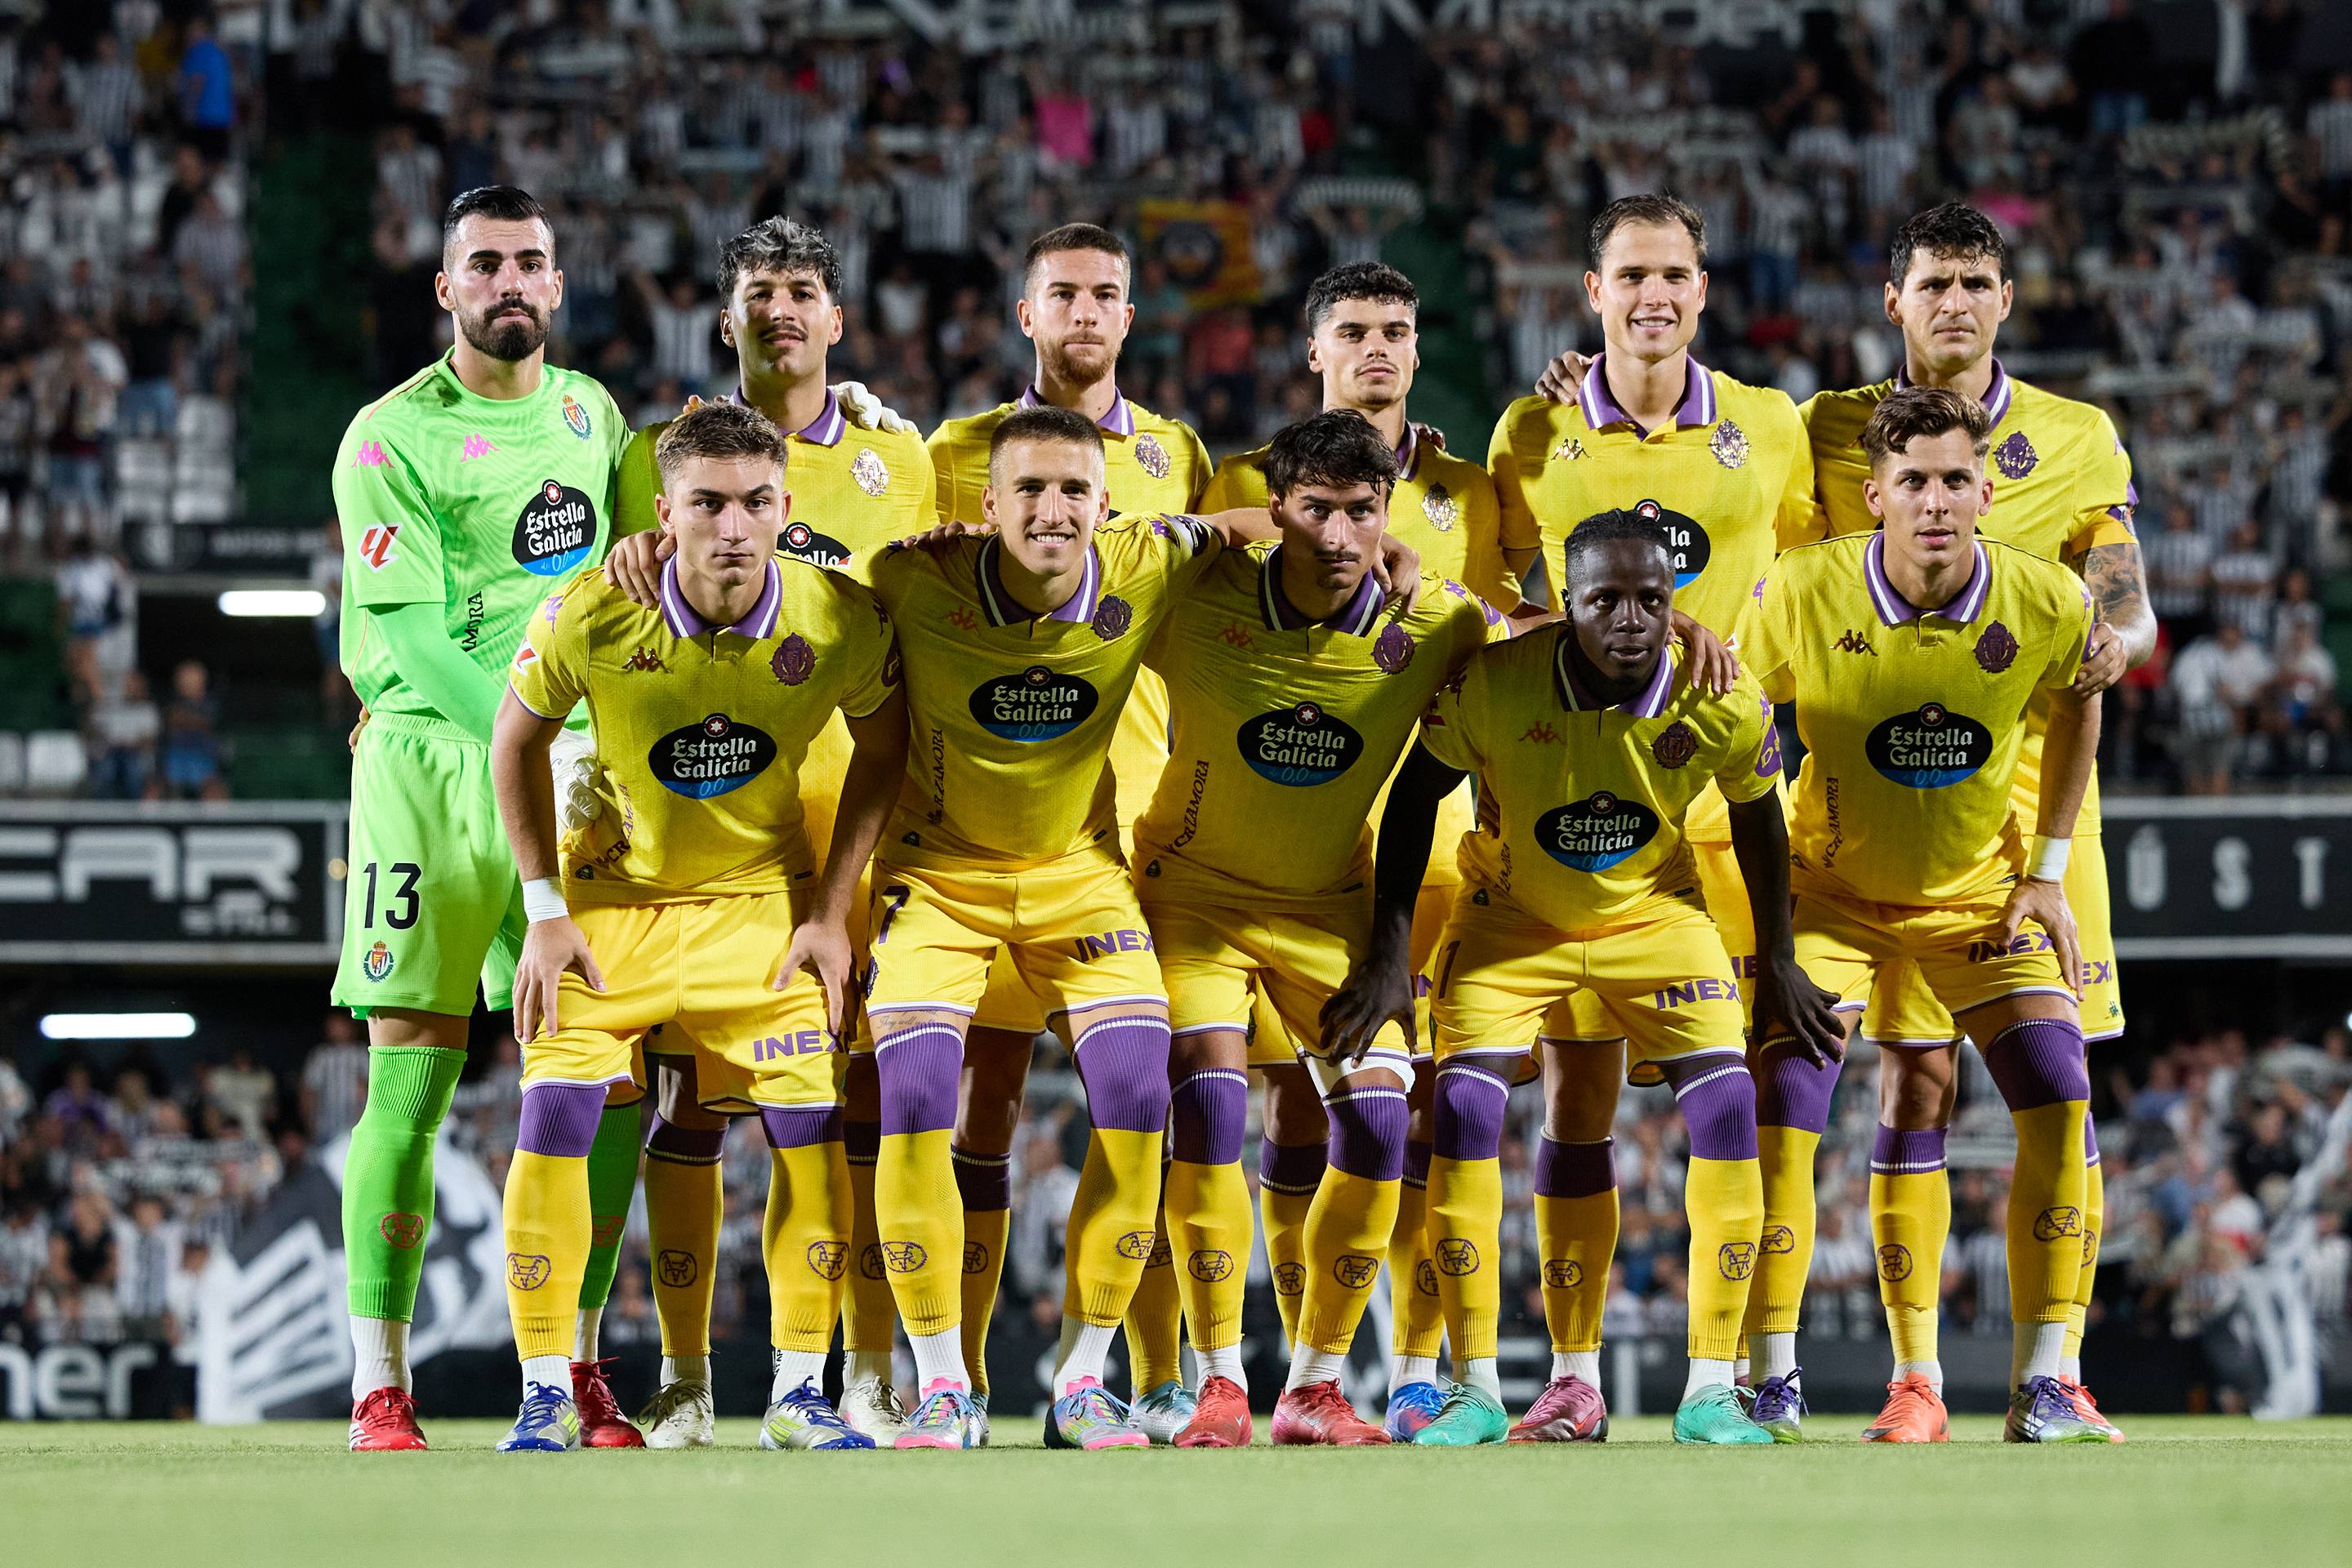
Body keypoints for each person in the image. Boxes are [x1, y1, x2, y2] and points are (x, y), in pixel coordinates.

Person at [859, 403, 1413, 1450]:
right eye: (1028, 489)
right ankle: (942, 1384)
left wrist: (1390, 543)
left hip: (1082, 877)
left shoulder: (1147, 558)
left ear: (1107, 504)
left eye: (1074, 489)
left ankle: (1081, 1373)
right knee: (922, 1097)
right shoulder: (909, 579)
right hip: (939, 877)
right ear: (987, 504)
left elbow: (1257, 526)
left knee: (1133, 1094)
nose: (1053, 509)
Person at [1327, 509, 1838, 1446]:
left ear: (1676, 602)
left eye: (1653, 598)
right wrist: (1391, 954)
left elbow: (1761, 818)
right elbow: (1412, 800)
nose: (1632, 618)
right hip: (1512, 913)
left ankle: (1713, 1388)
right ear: (1568, 604)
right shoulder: (1495, 684)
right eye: (1606, 599)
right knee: (1466, 1112)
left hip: (1658, 914)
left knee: (1728, 1104)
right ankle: (1476, 1387)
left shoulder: (1719, 693)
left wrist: (1782, 964)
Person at [1792, 204, 2151, 1442]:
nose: (1957, 300)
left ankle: (2054, 1372)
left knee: (2058, 1072)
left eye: (1978, 280)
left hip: (2035, 807)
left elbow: (2123, 597)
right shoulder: (1825, 430)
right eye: (1934, 281)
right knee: (1915, 1078)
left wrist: (2112, 643)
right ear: (1893, 299)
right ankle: (1915, 1377)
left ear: (2008, 298)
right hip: (1875, 808)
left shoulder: (2074, 434)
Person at [489, 399, 906, 1453]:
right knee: (557, 1120)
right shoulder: (593, 611)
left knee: (809, 1131)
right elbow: (515, 740)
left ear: (785, 506)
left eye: (756, 502)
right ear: (663, 514)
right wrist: (543, 912)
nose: (732, 526)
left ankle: (799, 1394)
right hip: (610, 906)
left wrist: (827, 911)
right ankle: (543, 1391)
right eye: (707, 503)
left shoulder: (837, 618)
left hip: (760, 911)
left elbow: (886, 744)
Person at [600, 216, 936, 1446]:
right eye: (758, 292)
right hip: (706, 833)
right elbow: (599, 615)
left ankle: (861, 1371)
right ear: (726, 317)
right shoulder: (654, 454)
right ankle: (686, 1376)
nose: (780, 309)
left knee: (852, 1103)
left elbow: (928, 615)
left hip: (852, 829)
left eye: (802, 291)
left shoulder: (901, 461)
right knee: (688, 1102)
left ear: (836, 321)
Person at [1734, 385, 2108, 1446]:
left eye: (1954, 480)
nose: (1936, 501)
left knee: (2060, 1090)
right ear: (1874, 495)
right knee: (1785, 1104)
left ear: (1986, 491)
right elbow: (1735, 717)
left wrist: (2046, 867)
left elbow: (2082, 694)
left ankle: (2048, 1378)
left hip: (1973, 902)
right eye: (1914, 482)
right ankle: (1773, 1377)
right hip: (1834, 897)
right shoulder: (1804, 588)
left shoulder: (2045, 599)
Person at [1132, 410, 1505, 1446]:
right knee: (1206, 1100)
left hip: (1330, 905)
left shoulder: (1439, 625)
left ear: (1389, 511)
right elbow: (1092, 551)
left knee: (1382, 1124)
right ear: (1274, 508)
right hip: (1190, 893)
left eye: (1362, 510)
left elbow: (1560, 658)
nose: (1340, 536)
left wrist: (1391, 954)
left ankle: (1313, 1386)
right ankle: (1215, 1383)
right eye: (1314, 511)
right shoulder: (1195, 595)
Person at [329, 186, 629, 1453]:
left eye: (532, 262)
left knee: (599, 1081)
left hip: (571, 767)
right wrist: (544, 739)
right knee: (414, 1067)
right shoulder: (388, 436)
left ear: (557, 286)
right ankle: (377, 1382)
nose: (511, 280)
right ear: (445, 288)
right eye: (485, 263)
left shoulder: (592, 416)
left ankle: (574, 1367)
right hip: (433, 767)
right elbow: (399, 631)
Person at [1197, 261, 1521, 1431]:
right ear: (1314, 351)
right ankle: (1296, 1366)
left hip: (1428, 852)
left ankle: (1424, 1368)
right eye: (1353, 330)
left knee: (1422, 1116)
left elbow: (1501, 639)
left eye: (1396, 328)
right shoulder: (1246, 477)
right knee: (1283, 1112)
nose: (1376, 347)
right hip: (1280, 846)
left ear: (1422, 351)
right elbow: (1180, 540)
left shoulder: (1476, 493)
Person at [1507, 193, 1806, 1426]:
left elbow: (1831, 561)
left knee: (1758, 1086)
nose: (1655, 294)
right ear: (1593, 291)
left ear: (1703, 286)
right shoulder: (1533, 430)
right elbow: (1513, 604)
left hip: (1729, 804)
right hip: (1587, 810)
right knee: (1577, 1095)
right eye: (1631, 273)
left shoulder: (1770, 424)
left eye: (1676, 271)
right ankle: (1573, 1377)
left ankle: (1757, 1366)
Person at [921, 223, 1214, 1440]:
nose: (1084, 312)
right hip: (988, 820)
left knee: (1142, 1092)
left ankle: (1139, 1377)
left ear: (1129, 317)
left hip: (1138, 819)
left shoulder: (1179, 451)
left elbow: (1226, 560)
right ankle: (966, 1378)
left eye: (1105, 293)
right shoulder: (954, 450)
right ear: (1025, 313)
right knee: (980, 1105)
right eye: (1062, 294)